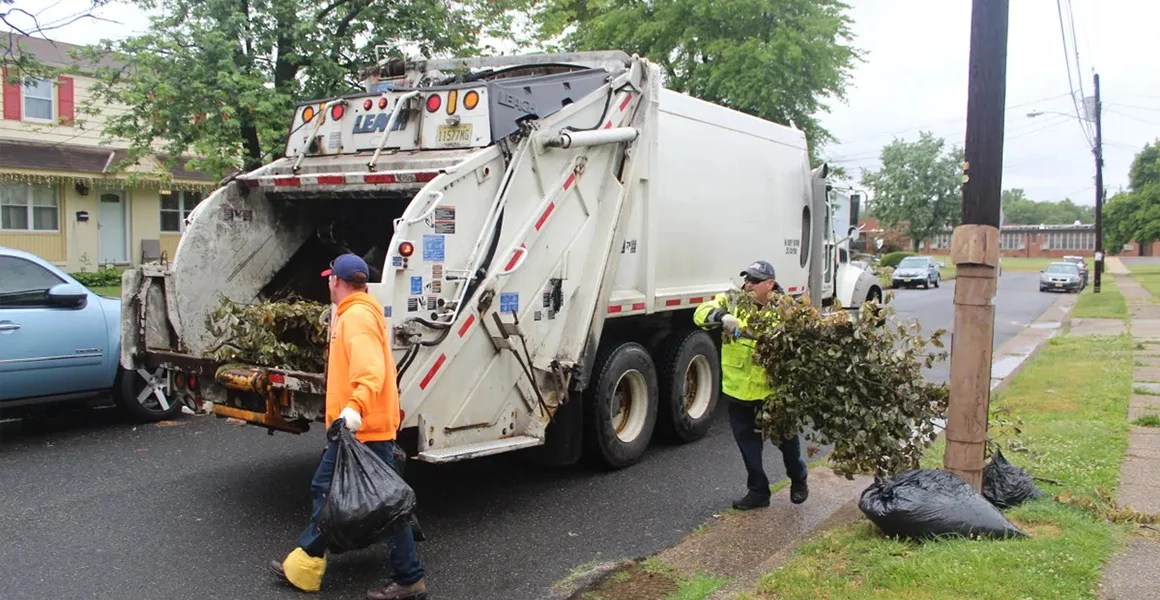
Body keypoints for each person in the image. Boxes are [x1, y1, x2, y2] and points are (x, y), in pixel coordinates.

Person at [269, 253, 428, 599]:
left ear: (335, 281)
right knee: (379, 501)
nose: (328, 283)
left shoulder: (355, 317)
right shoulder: (357, 312)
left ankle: (405, 577)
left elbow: (370, 372)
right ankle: (309, 562)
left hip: (361, 428)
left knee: (351, 496)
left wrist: (353, 410)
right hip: (365, 426)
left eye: (329, 278)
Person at [693, 260, 809, 510]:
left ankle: (798, 479)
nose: (748, 285)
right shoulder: (733, 301)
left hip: (773, 393)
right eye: (747, 279)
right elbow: (701, 312)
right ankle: (758, 492)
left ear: (770, 284)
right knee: (748, 446)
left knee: (787, 442)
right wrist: (722, 316)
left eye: (755, 281)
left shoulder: (786, 309)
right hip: (739, 392)